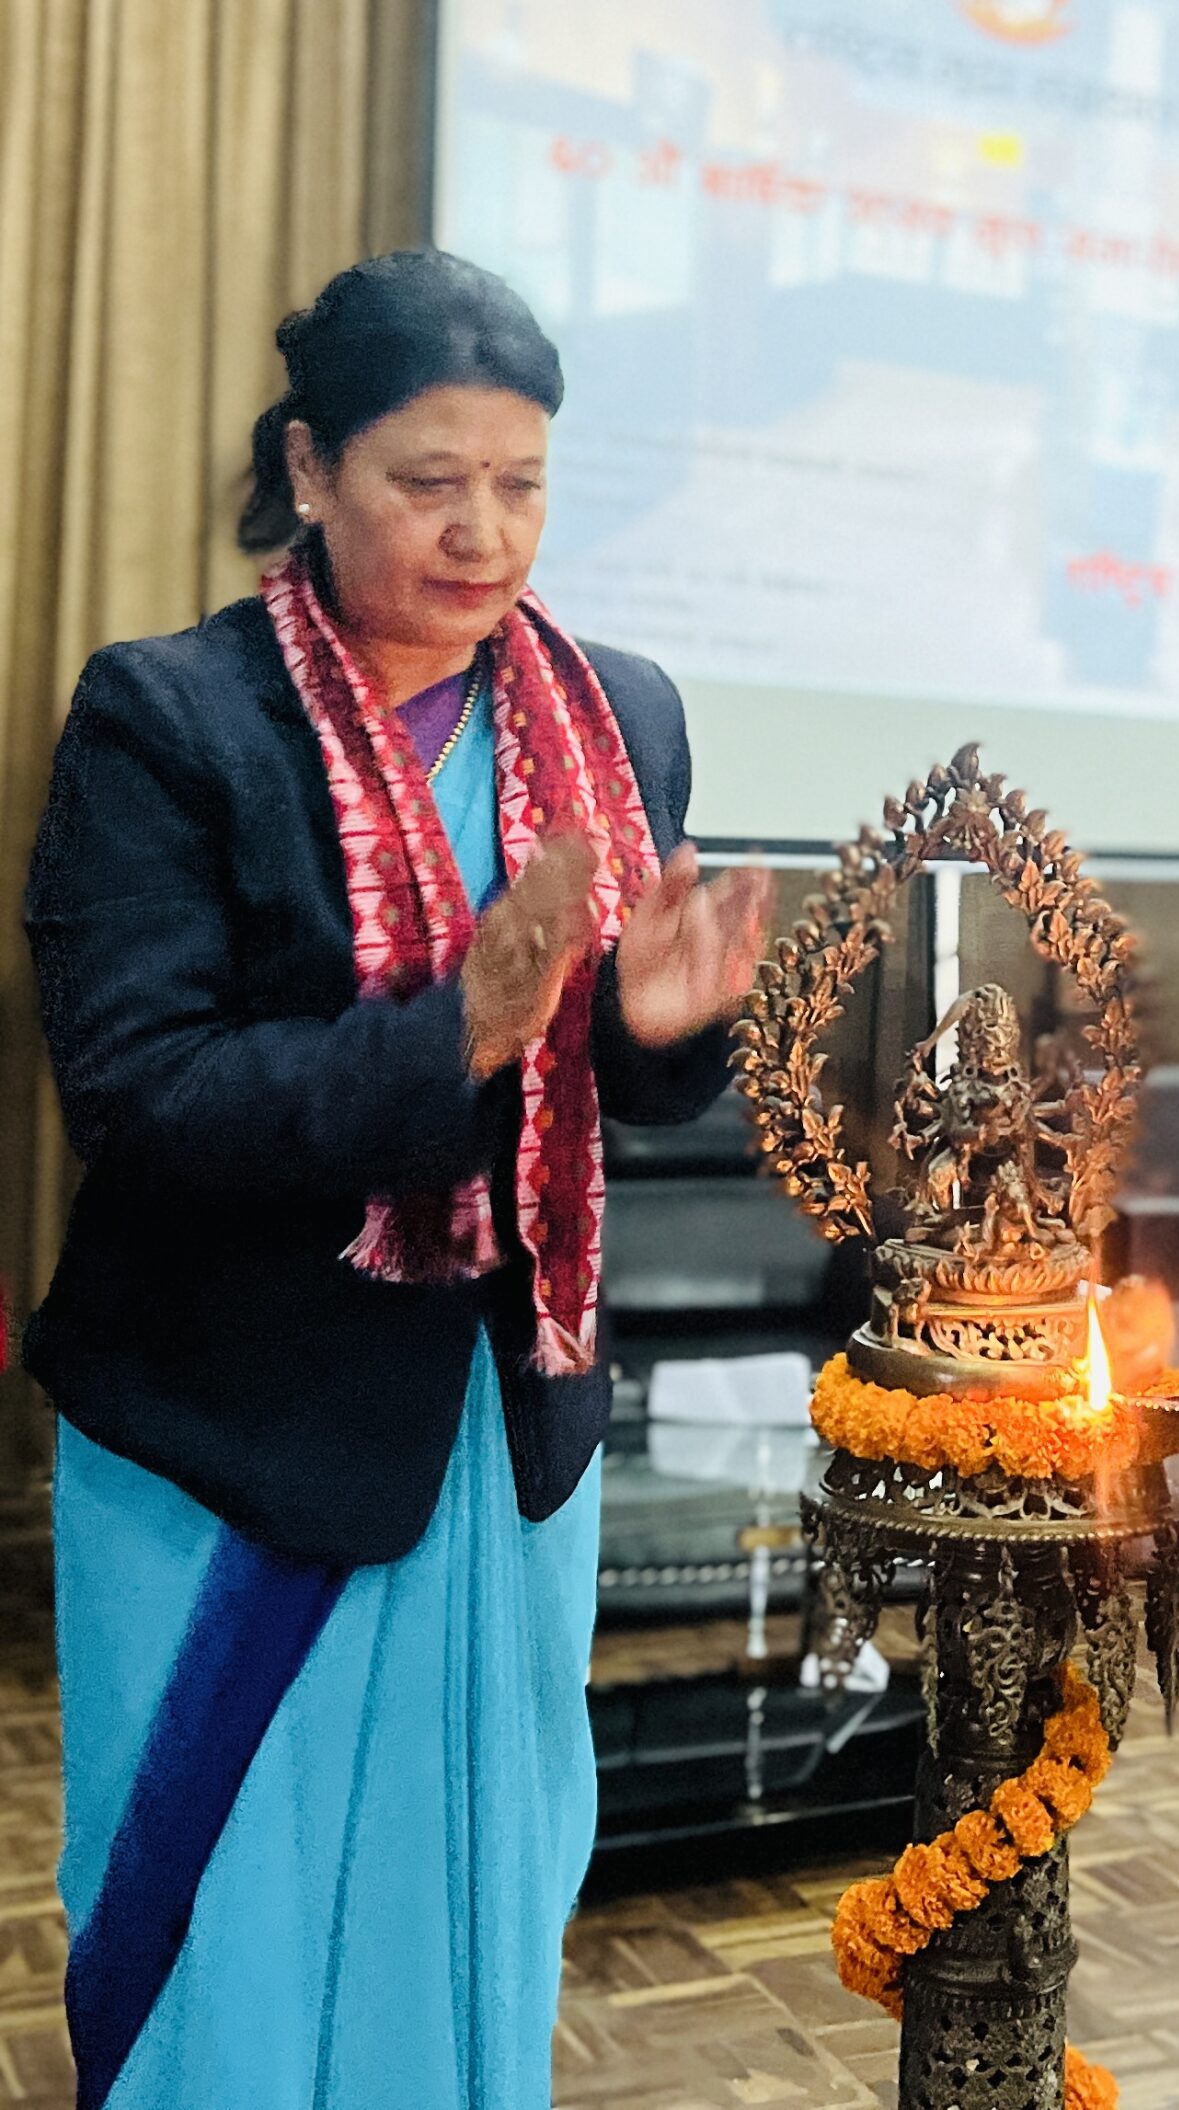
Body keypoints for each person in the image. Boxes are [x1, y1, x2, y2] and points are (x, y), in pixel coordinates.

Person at [24, 249, 772, 2110]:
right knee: (232, 1936)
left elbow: (610, 1089)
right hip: (233, 1439)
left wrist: (661, 1031)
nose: (481, 532)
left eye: (520, 483)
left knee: (478, 1902)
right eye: (429, 481)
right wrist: (456, 1035)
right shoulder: (169, 721)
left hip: (500, 1443)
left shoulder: (620, 714)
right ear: (308, 467)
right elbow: (141, 1098)